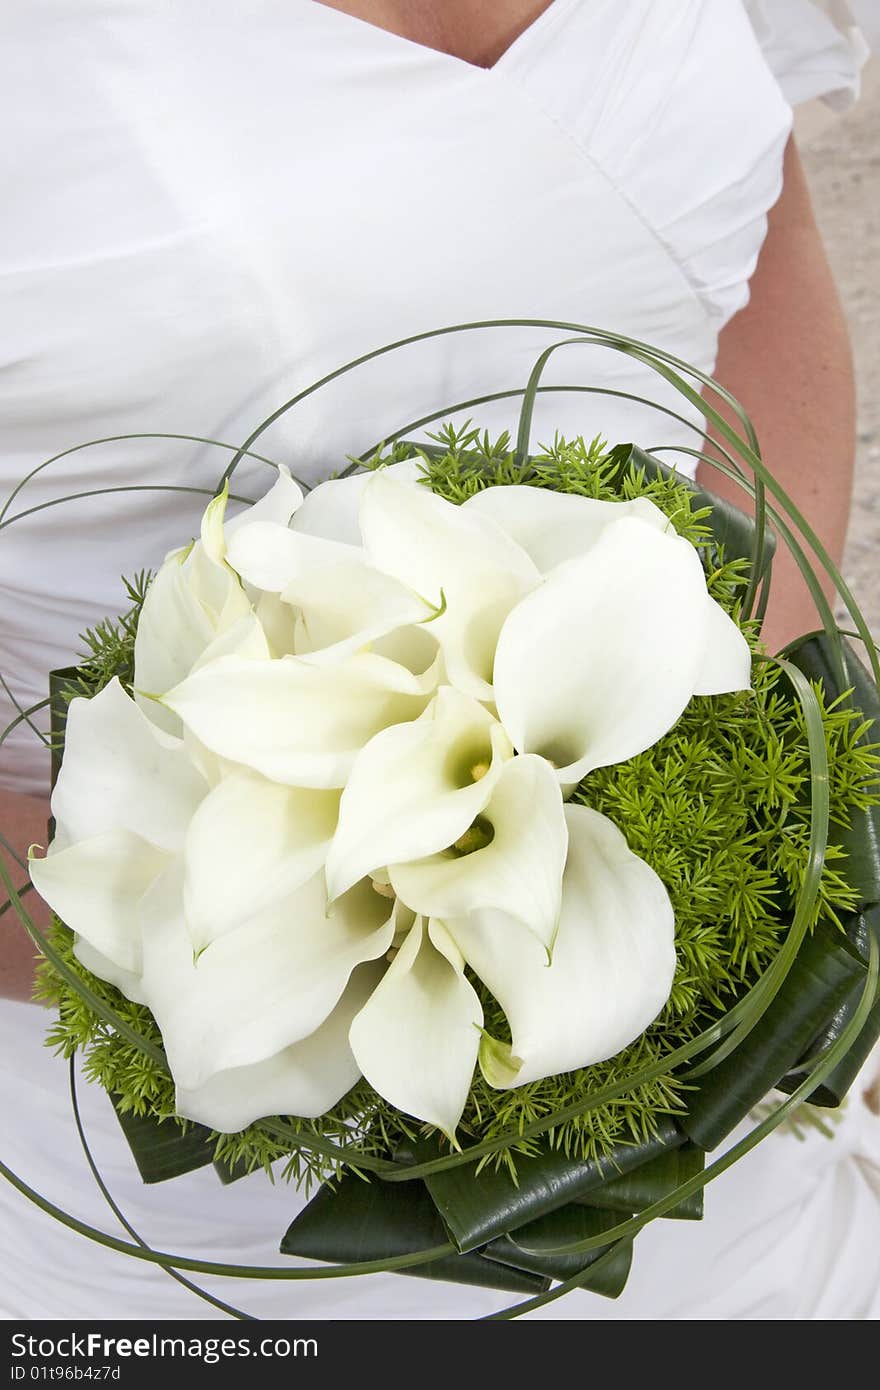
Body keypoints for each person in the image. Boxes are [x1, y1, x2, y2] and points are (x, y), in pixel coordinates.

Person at [0, 0, 877, 1319]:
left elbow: (754, 243)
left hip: (710, 1112)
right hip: (195, 1171)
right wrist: (227, 953)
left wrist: (734, 716)